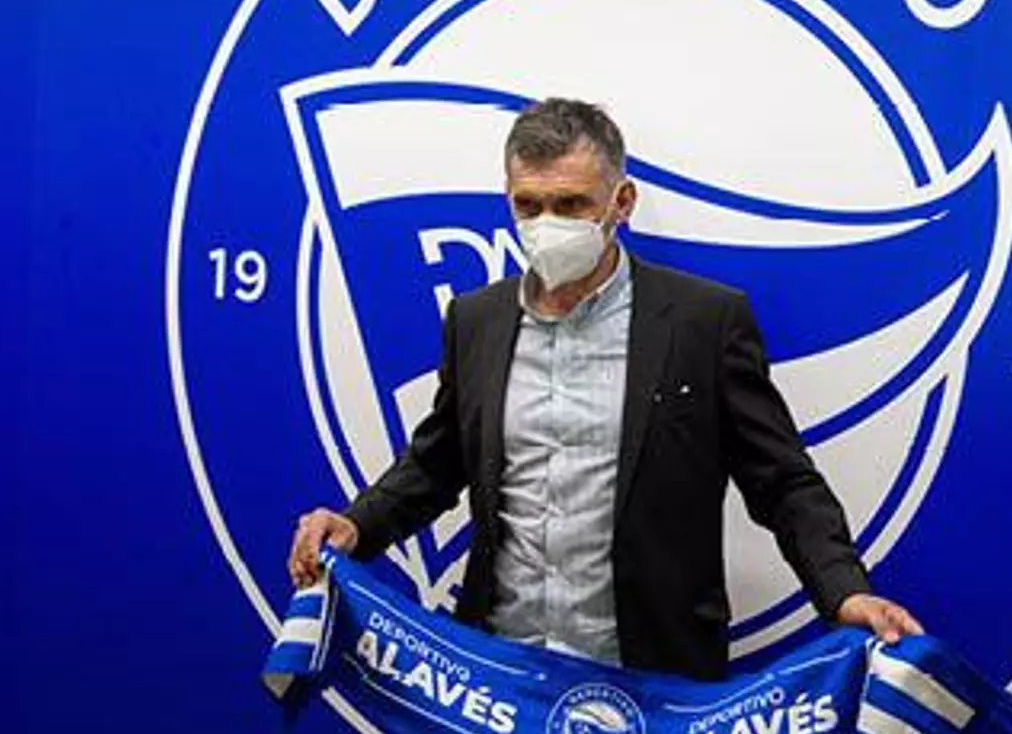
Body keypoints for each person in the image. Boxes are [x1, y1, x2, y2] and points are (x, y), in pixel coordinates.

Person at [288, 98, 922, 680]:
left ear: (622, 202)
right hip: (499, 676)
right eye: (528, 205)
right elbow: (435, 464)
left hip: (652, 679)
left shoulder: (704, 323)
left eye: (571, 205)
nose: (546, 224)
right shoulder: (476, 321)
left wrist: (845, 592)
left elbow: (781, 481)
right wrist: (356, 525)